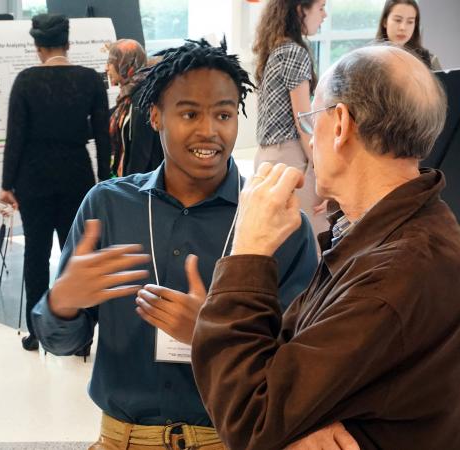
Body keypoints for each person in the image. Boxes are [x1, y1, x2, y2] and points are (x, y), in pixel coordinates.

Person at [32, 39, 319, 449]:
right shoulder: (108, 207)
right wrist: (62, 302)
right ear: (155, 116)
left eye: (223, 114)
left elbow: (301, 361)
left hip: (231, 438)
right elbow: (60, 342)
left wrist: (213, 335)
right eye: (189, 113)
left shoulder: (279, 221)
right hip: (123, 439)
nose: (209, 130)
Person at [191, 44, 460, 449]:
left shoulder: (393, 273)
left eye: (310, 118)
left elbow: (250, 420)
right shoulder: (394, 232)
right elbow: (292, 357)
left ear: (339, 125)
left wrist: (249, 250)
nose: (309, 136)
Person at [0, 14, 111, 351]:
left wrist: (7, 184)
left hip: (33, 180)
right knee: (78, 253)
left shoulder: (25, 82)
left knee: (36, 253)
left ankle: (37, 331)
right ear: (68, 43)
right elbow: (103, 139)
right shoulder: (90, 80)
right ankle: (83, 336)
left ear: (37, 47)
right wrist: (105, 181)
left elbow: (14, 138)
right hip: (77, 175)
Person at [253, 0, 328, 237]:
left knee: (278, 242)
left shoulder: (276, 49)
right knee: (313, 242)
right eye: (321, 7)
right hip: (291, 157)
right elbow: (303, 121)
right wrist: (322, 169)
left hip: (266, 158)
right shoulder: (294, 52)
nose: (324, 15)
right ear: (300, 10)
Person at [107, 39, 164, 176]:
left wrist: (129, 186)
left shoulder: (141, 98)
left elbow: (141, 153)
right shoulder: (128, 97)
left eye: (110, 62)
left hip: (142, 185)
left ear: (124, 64)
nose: (106, 68)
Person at [376, 0, 442, 70]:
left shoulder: (430, 60)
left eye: (410, 22)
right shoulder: (370, 59)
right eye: (398, 20)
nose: (403, 28)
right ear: (385, 22)